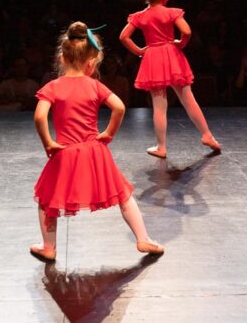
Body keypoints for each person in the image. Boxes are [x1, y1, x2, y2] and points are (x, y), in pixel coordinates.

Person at [30, 22, 164, 261]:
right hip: (95, 151)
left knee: (47, 200)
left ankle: (49, 247)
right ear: (91, 63)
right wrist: (108, 133)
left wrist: (48, 142)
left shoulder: (53, 86)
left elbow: (40, 115)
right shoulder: (94, 85)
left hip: (65, 152)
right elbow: (119, 107)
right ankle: (143, 238)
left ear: (62, 58)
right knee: (123, 195)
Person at [119, 0, 221, 158]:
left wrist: (139, 51)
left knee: (159, 106)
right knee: (188, 99)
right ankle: (207, 135)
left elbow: (123, 36)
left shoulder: (140, 16)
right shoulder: (171, 12)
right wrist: (180, 43)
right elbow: (187, 32)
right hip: (172, 55)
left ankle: (161, 147)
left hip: (153, 57)